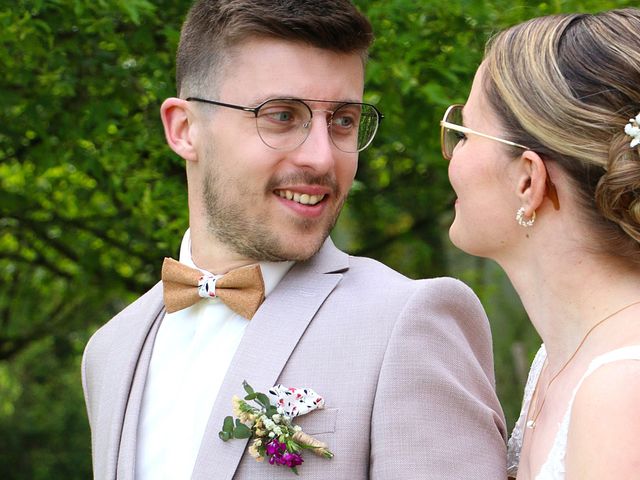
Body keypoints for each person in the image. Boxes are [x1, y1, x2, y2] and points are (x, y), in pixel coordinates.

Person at [82, 1, 507, 479]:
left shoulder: (411, 322)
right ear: (185, 129)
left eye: (344, 120)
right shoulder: (111, 350)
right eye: (282, 116)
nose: (322, 158)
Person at [440, 7, 640, 480]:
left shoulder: (621, 390)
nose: (450, 156)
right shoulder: (559, 356)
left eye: (464, 133)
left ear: (528, 179)